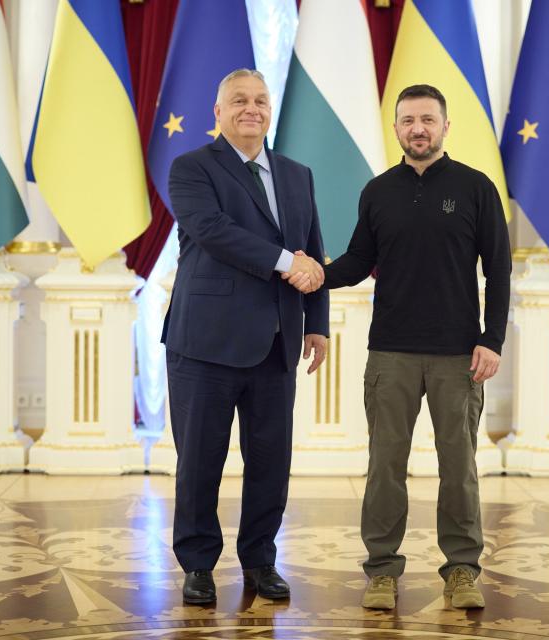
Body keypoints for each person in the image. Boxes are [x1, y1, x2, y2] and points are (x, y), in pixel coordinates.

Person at [286, 84, 511, 610]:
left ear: (446, 126)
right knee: (386, 463)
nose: (418, 128)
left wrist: (492, 340)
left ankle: (461, 570)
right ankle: (382, 572)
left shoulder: (477, 188)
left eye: (428, 119)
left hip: (460, 356)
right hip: (390, 353)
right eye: (408, 120)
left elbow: (499, 272)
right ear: (396, 129)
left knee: (460, 466)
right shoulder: (378, 191)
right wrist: (315, 272)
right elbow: (358, 261)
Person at [164, 68, 329, 605]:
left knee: (270, 463)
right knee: (199, 462)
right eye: (238, 100)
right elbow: (215, 233)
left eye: (260, 100)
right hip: (205, 344)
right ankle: (197, 566)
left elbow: (313, 252)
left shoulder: (297, 173)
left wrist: (319, 323)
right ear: (218, 112)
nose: (250, 108)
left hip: (278, 343)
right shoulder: (191, 169)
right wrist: (289, 263)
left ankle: (260, 561)